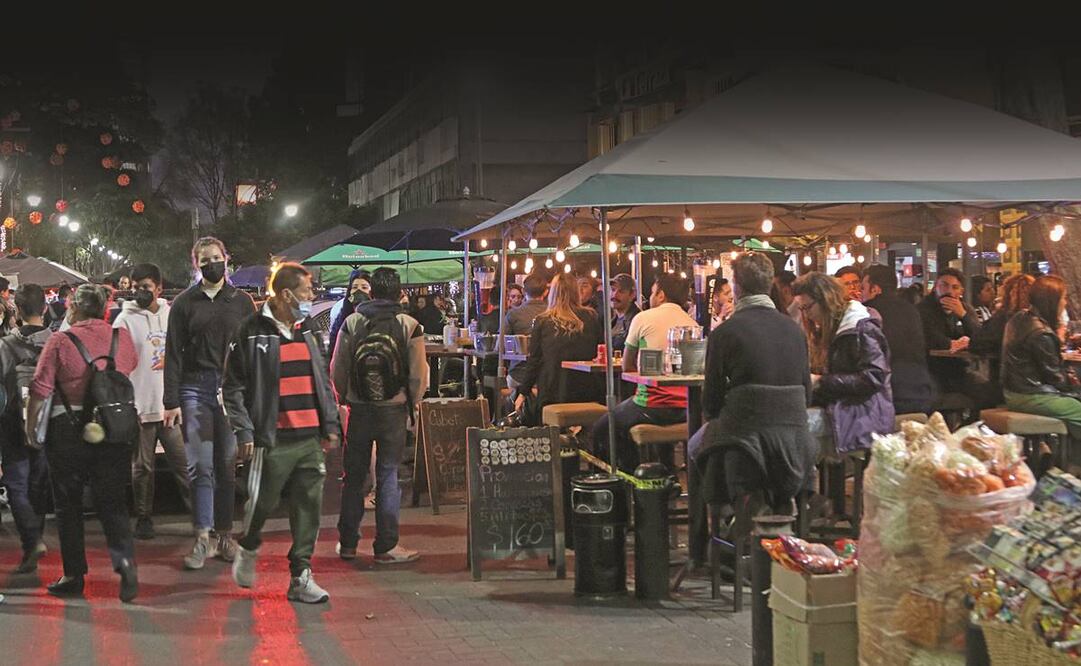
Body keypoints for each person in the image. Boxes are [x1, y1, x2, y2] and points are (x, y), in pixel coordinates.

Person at [224, 263, 340, 603]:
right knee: (261, 504)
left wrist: (330, 424)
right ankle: (249, 545)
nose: (311, 297)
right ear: (287, 294)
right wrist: (244, 429)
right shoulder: (251, 330)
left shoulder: (308, 330)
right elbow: (231, 387)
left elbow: (323, 379)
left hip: (309, 438)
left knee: (309, 506)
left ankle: (301, 574)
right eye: (307, 292)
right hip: (271, 438)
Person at [25, 284, 139, 601]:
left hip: (68, 430)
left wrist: (30, 427)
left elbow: (40, 387)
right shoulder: (122, 338)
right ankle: (126, 565)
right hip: (114, 429)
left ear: (73, 308)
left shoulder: (60, 341)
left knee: (68, 505)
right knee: (113, 502)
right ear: (104, 309)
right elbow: (129, 367)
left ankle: (74, 575)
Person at [689, 253, 814, 521]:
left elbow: (710, 402)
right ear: (769, 284)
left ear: (736, 287)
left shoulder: (724, 333)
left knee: (693, 447)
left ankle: (706, 543)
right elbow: (807, 392)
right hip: (795, 442)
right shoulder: (795, 332)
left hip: (743, 442)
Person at [164, 237, 257, 570]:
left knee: (227, 464)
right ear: (196, 264)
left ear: (227, 259)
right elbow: (173, 354)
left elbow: (251, 353)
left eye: (217, 257)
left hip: (231, 391)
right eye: (205, 260)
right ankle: (202, 538)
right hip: (194, 389)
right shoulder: (184, 303)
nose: (212, 263)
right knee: (200, 465)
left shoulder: (243, 301)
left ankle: (223, 535)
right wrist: (171, 400)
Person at [332, 267, 428, 564]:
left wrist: (345, 398)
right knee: (387, 474)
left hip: (359, 409)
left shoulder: (353, 321)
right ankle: (385, 546)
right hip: (393, 410)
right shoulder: (410, 325)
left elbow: (338, 369)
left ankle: (348, 543)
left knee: (353, 476)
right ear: (400, 293)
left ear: (371, 292)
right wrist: (412, 403)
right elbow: (418, 376)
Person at [114, 263, 191, 540]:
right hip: (140, 407)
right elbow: (118, 366)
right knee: (142, 468)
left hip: (170, 407)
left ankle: (200, 517)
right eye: (136, 288)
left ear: (158, 288)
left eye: (146, 287)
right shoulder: (124, 321)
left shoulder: (174, 316)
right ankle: (144, 517)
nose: (140, 292)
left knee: (183, 464)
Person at [591, 273, 696, 472]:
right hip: (686, 408)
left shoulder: (643, 317)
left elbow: (627, 366)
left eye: (653, 292)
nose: (651, 297)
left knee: (602, 429)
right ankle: (665, 475)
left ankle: (630, 480)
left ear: (662, 294)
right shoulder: (692, 323)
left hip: (652, 405)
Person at [794, 272, 895, 454]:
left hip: (865, 416)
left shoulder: (861, 328)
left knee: (795, 433)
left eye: (807, 307)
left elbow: (874, 377)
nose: (806, 315)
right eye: (801, 309)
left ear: (825, 300)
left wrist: (820, 381)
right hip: (846, 410)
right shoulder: (833, 327)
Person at [0, 284, 52, 573]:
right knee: (38, 485)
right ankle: (37, 537)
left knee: (16, 484)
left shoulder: (5, 346)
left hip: (12, 424)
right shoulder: (56, 342)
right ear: (44, 308)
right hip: (46, 424)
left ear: (17, 310)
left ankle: (31, 540)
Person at [1001, 275, 1081, 439]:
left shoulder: (1019, 318)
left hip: (1013, 392)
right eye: (1063, 299)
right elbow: (1055, 378)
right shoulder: (1041, 333)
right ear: (1052, 302)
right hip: (1031, 395)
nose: (1065, 303)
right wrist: (1075, 386)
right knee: (1077, 410)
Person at [515, 272, 603, 413]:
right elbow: (600, 352)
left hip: (553, 393)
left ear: (552, 293)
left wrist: (523, 392)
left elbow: (534, 360)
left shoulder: (543, 320)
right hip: (587, 391)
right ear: (576, 292)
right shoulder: (591, 317)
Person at [861, 264, 935, 414]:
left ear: (875, 289)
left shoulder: (866, 312)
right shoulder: (912, 310)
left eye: (863, 288)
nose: (861, 293)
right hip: (921, 390)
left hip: (886, 395)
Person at [918, 268, 991, 406]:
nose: (949, 291)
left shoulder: (965, 309)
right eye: (944, 285)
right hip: (932, 370)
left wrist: (963, 316)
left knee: (988, 393)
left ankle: (969, 425)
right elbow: (930, 338)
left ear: (961, 291)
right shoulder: (923, 309)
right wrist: (953, 343)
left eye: (955, 287)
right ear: (935, 288)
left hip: (960, 370)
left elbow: (981, 339)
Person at [327, 269, 371, 354]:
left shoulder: (377, 317)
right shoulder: (341, 317)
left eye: (364, 287)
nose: (359, 290)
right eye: (354, 287)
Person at [608, 273, 640, 353]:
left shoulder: (637, 320)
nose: (614, 294)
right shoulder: (612, 321)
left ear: (632, 295)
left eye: (621, 291)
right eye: (613, 290)